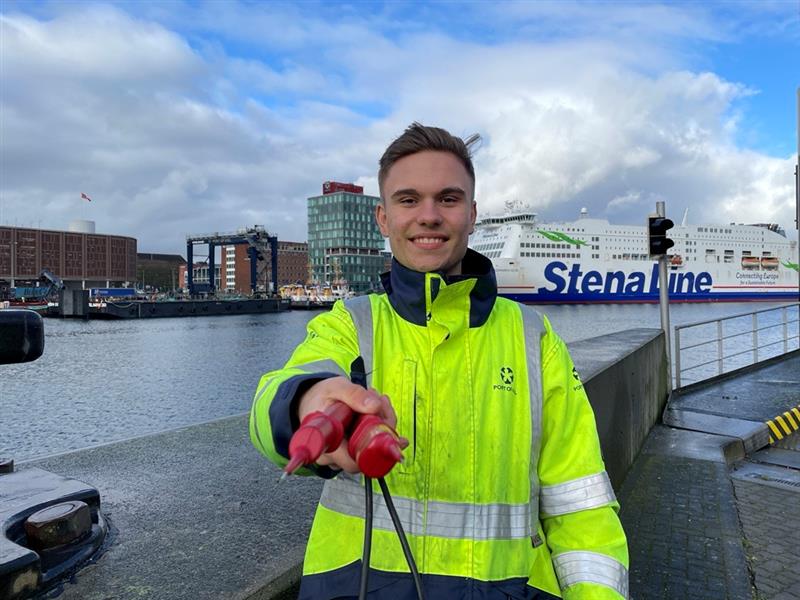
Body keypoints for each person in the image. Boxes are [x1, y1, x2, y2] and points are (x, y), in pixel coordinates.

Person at [250, 123, 628, 599]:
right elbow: (274, 402)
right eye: (408, 200)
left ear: (472, 215)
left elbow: (582, 504)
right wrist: (305, 402)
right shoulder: (350, 323)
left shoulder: (535, 339)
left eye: (447, 199)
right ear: (383, 219)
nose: (428, 216)